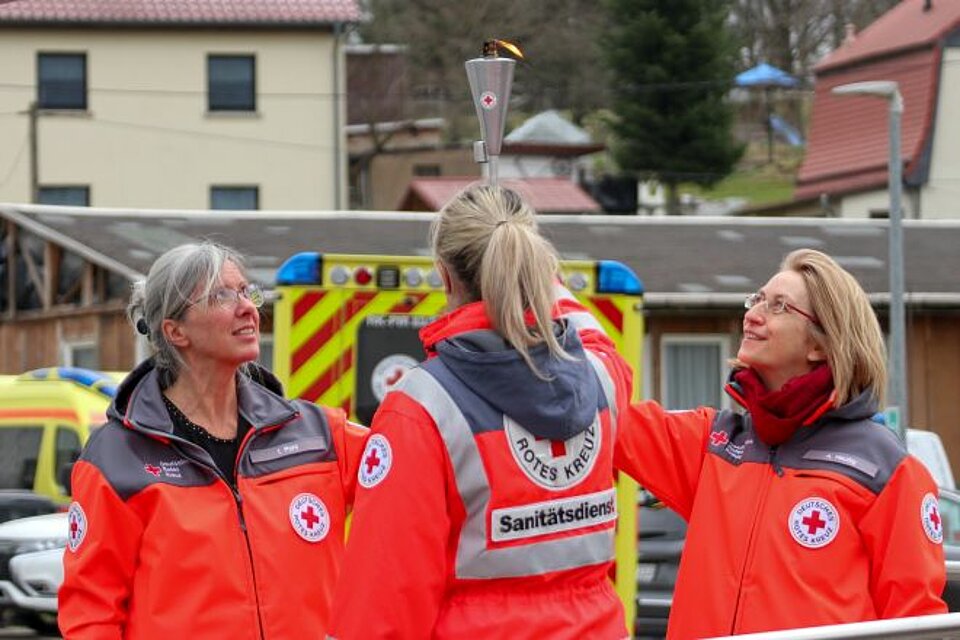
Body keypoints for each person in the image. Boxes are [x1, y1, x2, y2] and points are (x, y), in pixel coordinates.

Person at [327, 185, 635, 639]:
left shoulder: (422, 405)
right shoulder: (601, 379)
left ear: (445, 278)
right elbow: (596, 339)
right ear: (538, 269)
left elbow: (387, 593)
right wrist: (536, 278)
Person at [615, 248, 947, 639]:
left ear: (820, 345)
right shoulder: (714, 444)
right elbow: (605, 417)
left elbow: (915, 622)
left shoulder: (885, 470)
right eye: (756, 300)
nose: (752, 314)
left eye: (779, 307)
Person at [58, 242, 368, 639]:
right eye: (222, 295)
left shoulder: (320, 434)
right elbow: (90, 613)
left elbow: (415, 495)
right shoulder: (117, 458)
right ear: (175, 331)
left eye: (247, 291)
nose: (247, 308)